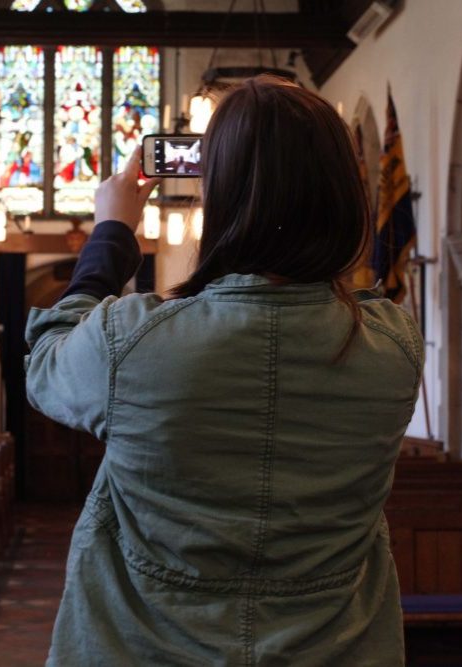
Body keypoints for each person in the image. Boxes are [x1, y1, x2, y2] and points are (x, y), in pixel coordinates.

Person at [24, 76, 423, 666]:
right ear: (341, 193)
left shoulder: (133, 340)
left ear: (221, 196)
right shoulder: (392, 346)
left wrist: (110, 235)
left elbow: (46, 363)